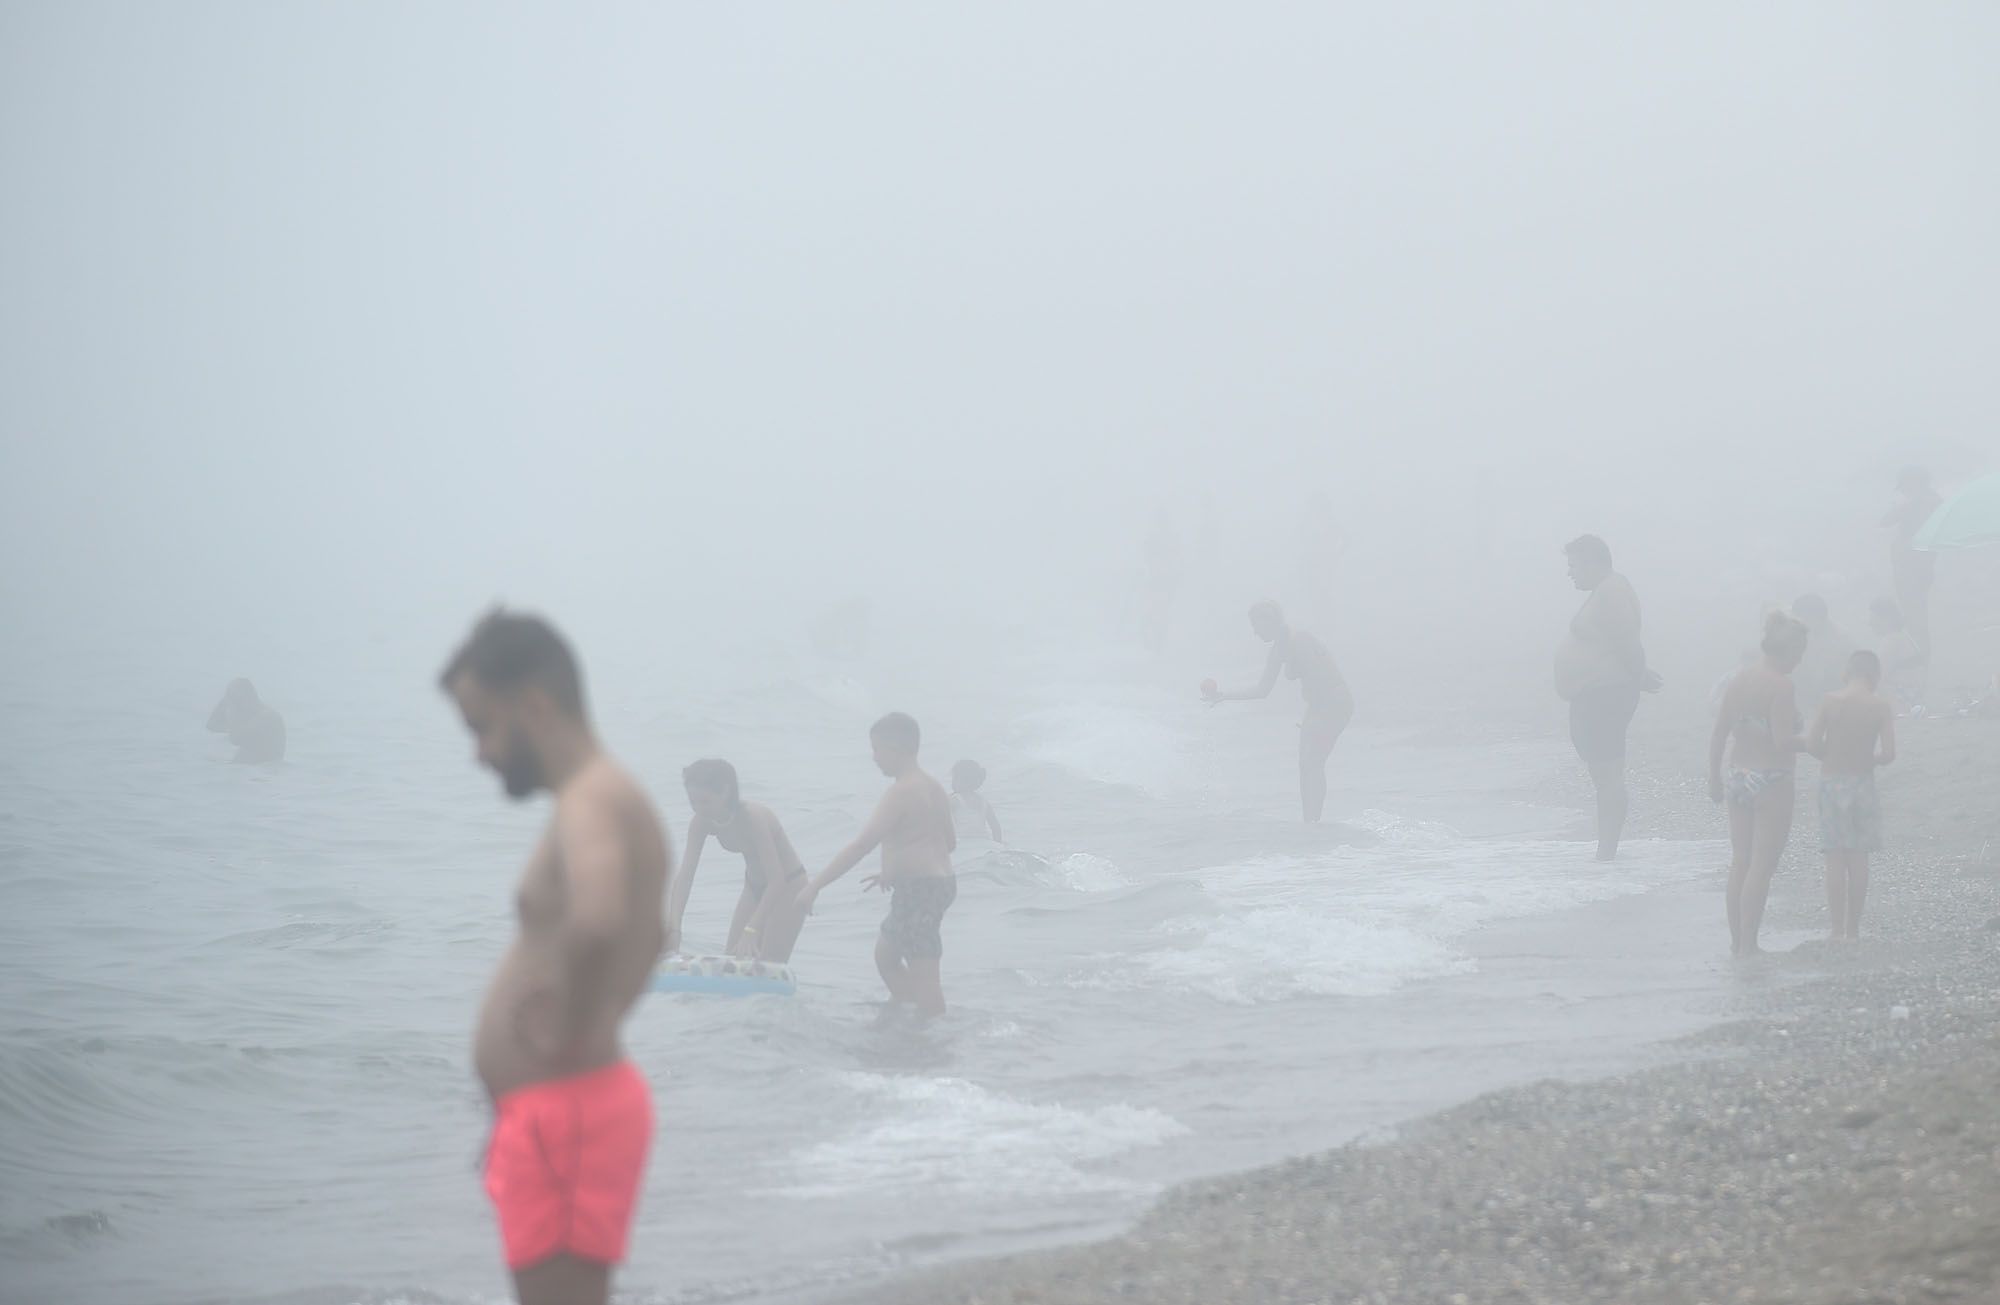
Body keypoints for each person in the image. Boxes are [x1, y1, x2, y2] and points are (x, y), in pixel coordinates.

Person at [438, 610, 669, 1305]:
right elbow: (653, 934)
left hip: (566, 1113)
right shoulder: (607, 795)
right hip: (563, 1111)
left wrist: (566, 1031)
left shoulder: (589, 800)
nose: (478, 751)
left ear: (534, 706)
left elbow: (600, 920)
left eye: (482, 725)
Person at [795, 713, 957, 1016]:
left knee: (924, 969)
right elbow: (948, 843)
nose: (874, 758)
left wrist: (814, 887)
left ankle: (934, 1037)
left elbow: (860, 846)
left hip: (922, 890)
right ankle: (909, 1013)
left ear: (898, 748)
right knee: (886, 956)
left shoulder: (901, 792)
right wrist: (894, 869)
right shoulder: (933, 787)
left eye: (877, 749)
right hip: (939, 884)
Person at [1709, 612, 1811, 957]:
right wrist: (1814, 742)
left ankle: (1738, 941)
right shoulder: (1782, 686)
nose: (1800, 661)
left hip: (1737, 774)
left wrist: (1713, 776)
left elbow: (1720, 731)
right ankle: (1751, 944)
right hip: (1772, 779)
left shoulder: (1739, 680)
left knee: (1741, 859)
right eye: (1799, 653)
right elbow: (1783, 741)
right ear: (1789, 649)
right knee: (1763, 864)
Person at [1553, 536, 1658, 861]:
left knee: (1608, 776)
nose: (1570, 574)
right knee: (1603, 775)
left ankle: (1606, 852)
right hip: (1597, 694)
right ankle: (1605, 849)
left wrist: (1638, 675)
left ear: (1592, 562)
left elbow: (1627, 641)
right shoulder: (1605, 590)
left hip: (1606, 696)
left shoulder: (1611, 591)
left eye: (1573, 566)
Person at [1202, 600, 1354, 823]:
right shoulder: (1279, 648)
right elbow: (1263, 690)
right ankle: (1309, 823)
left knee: (1313, 762)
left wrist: (1314, 719)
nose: (1254, 632)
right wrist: (1225, 695)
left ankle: (1313, 824)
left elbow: (1321, 677)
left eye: (1256, 625)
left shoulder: (1299, 639)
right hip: (1318, 707)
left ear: (1269, 621)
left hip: (1335, 704)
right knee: (1305, 765)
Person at [669, 759, 811, 963]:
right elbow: (685, 877)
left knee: (768, 963)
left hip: (788, 885)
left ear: (725, 792)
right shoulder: (701, 822)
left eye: (705, 802)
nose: (699, 809)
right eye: (693, 802)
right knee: (733, 961)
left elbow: (776, 879)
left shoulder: (752, 818)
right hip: (754, 887)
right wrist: (675, 929)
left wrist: (752, 928)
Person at [1804, 650, 1896, 941]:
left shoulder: (1831, 701)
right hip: (1862, 784)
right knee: (1858, 856)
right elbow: (1889, 753)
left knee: (1835, 856)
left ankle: (1835, 930)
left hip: (1832, 781)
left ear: (1848, 672)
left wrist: (1828, 756)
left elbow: (1811, 743)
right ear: (1874, 676)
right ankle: (1853, 930)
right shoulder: (1880, 706)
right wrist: (1872, 759)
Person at [1882, 466, 1944, 653]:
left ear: (1915, 483)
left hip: (1915, 566)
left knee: (1914, 611)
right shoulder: (1922, 502)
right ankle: (1917, 649)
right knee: (1913, 611)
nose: (1902, 491)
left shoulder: (1926, 502)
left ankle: (1919, 652)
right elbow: (1886, 520)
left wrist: (1905, 506)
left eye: (1905, 486)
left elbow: (1887, 521)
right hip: (1911, 564)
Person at [1789, 593, 1856, 711]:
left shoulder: (1841, 639)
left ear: (1817, 617)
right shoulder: (1803, 632)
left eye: (1802, 618)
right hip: (1807, 696)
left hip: (1836, 698)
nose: (1799, 622)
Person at [1868, 597, 1928, 714]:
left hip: (1899, 702)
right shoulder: (1904, 637)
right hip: (1913, 699)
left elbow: (1877, 679)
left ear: (1887, 619)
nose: (1869, 623)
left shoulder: (1892, 640)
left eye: (1873, 619)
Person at [206, 678, 286, 763]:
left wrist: (231, 712)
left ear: (248, 697)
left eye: (237, 700)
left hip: (263, 769)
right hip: (246, 767)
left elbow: (235, 739)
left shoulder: (268, 716)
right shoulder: (247, 716)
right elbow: (211, 725)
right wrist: (226, 701)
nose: (237, 706)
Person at [949, 760, 1004, 842]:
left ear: (960, 780)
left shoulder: (954, 800)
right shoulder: (984, 802)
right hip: (984, 843)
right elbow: (996, 828)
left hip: (964, 845)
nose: (952, 782)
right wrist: (998, 844)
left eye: (954, 778)